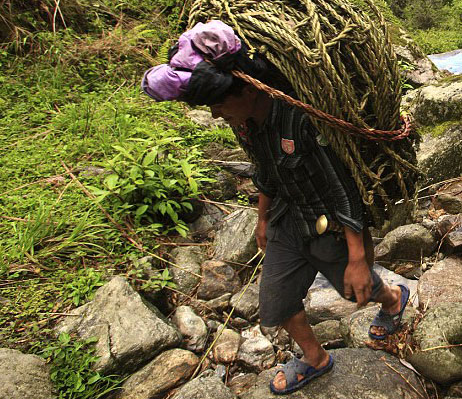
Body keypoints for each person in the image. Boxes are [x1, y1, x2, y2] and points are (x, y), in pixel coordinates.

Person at [141, 20, 408, 395]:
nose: (217, 114)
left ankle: (394, 299)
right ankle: (315, 359)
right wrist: (262, 220)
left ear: (249, 89)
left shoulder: (299, 117)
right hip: (285, 217)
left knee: (354, 290)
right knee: (276, 303)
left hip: (327, 220)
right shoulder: (245, 121)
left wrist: (358, 257)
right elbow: (264, 170)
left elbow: (342, 188)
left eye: (219, 104)